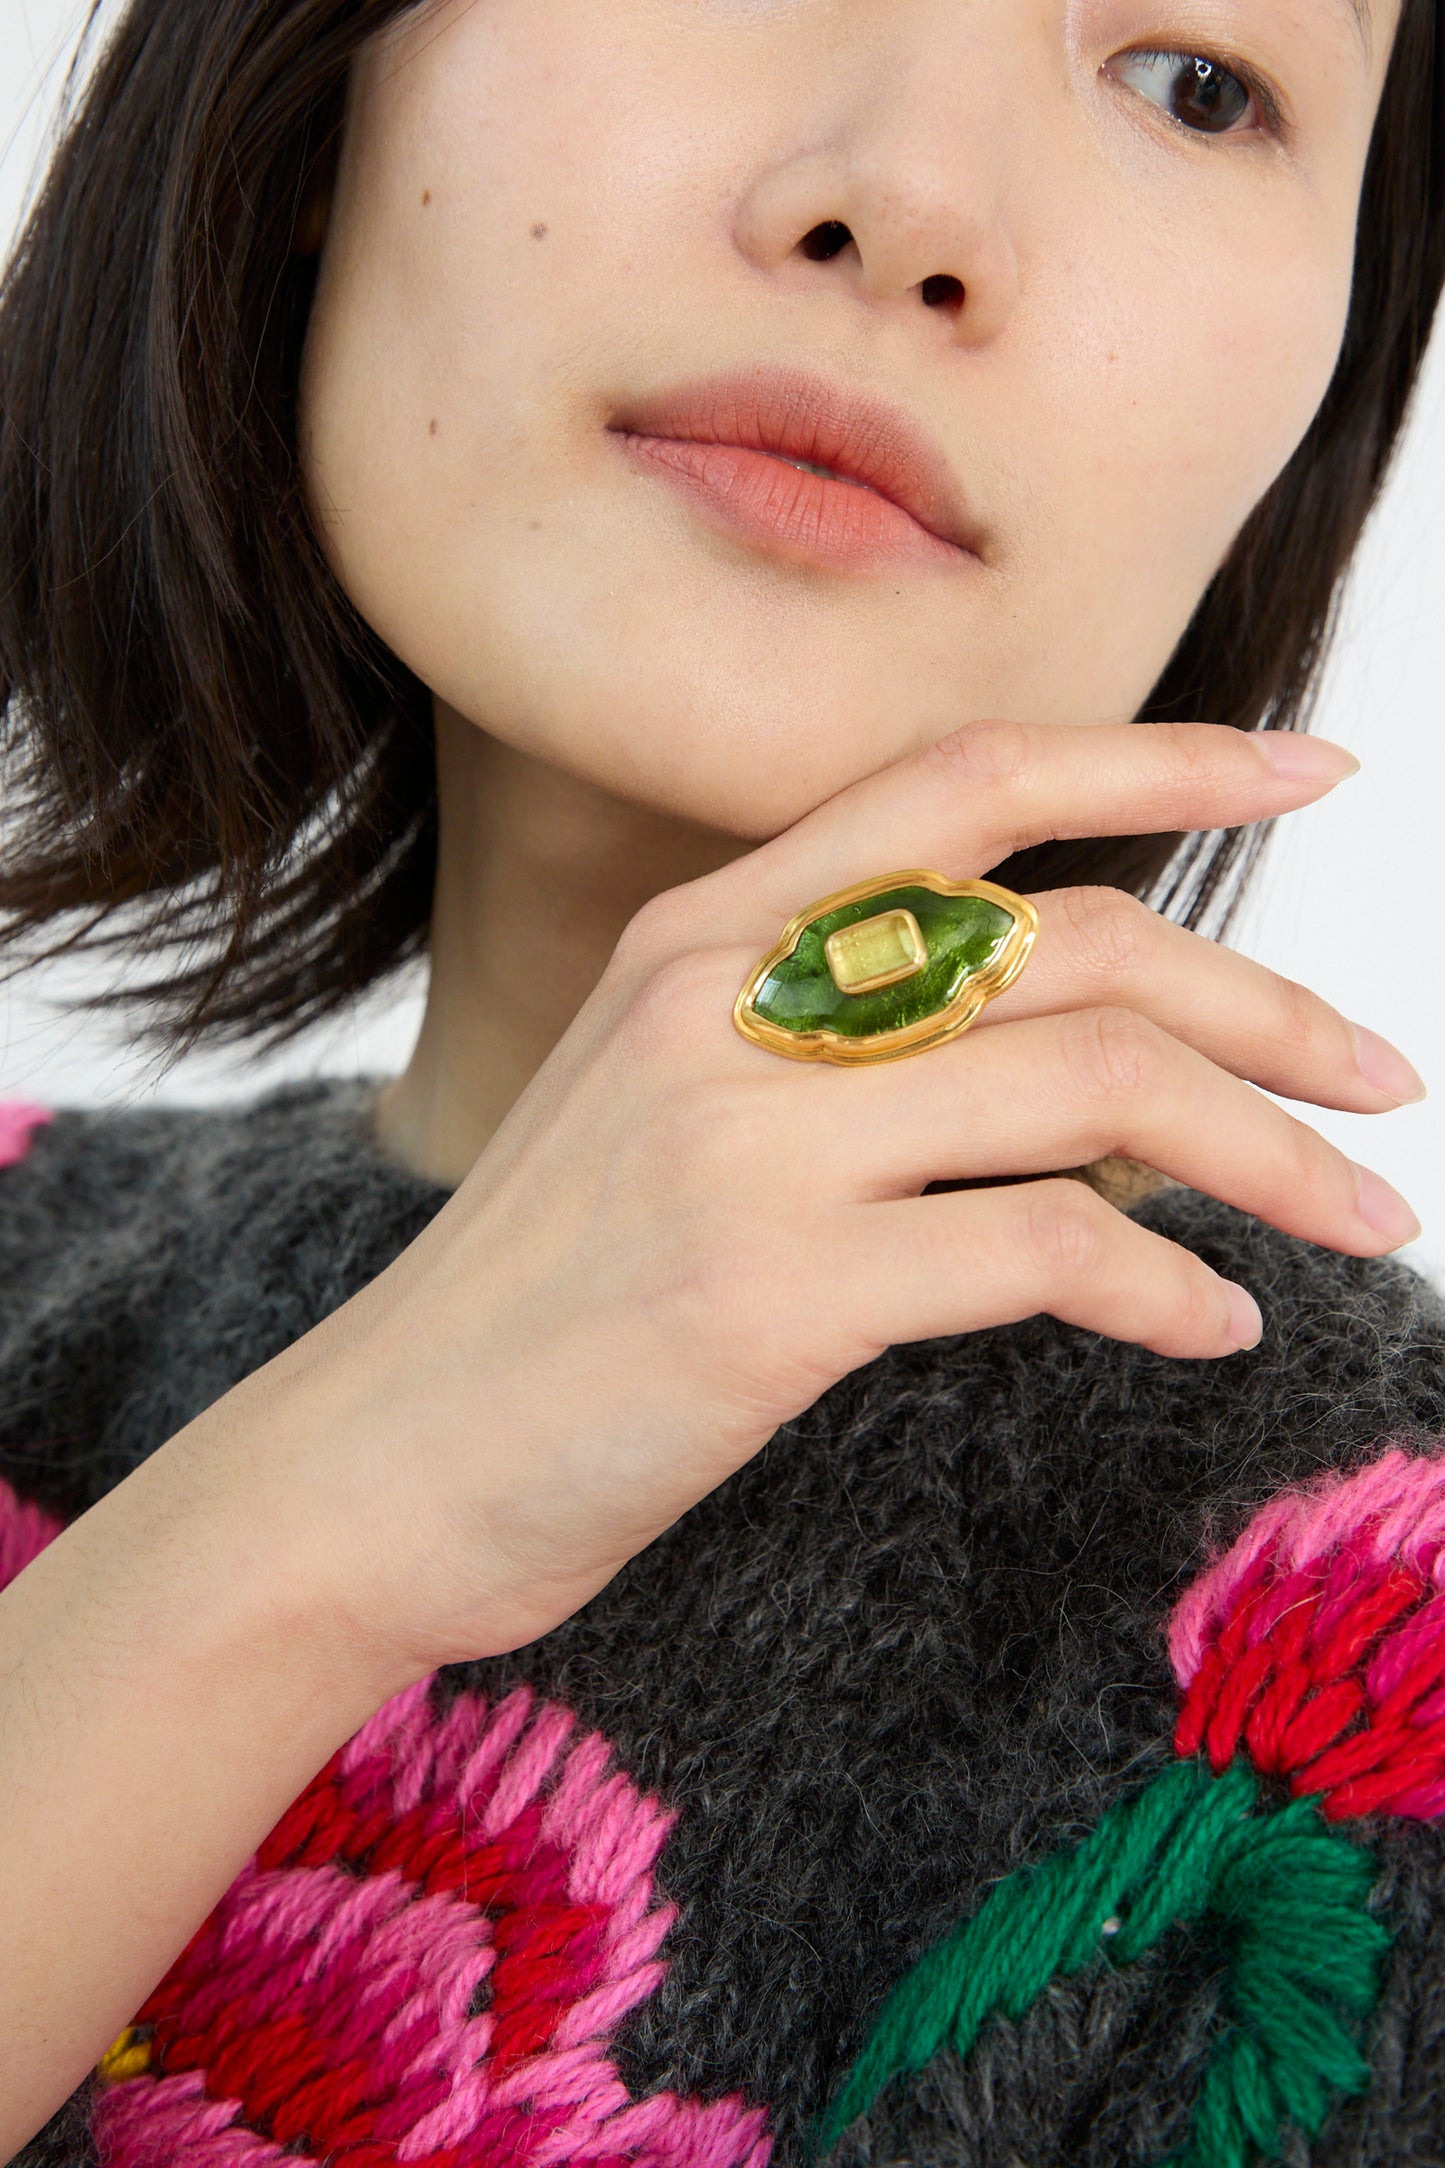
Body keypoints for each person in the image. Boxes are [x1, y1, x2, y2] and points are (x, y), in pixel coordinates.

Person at [0, 0, 1442, 2160]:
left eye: (1197, 75)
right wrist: (306, 1520)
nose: (909, 205)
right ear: (315, 89)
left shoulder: (1367, 1655)